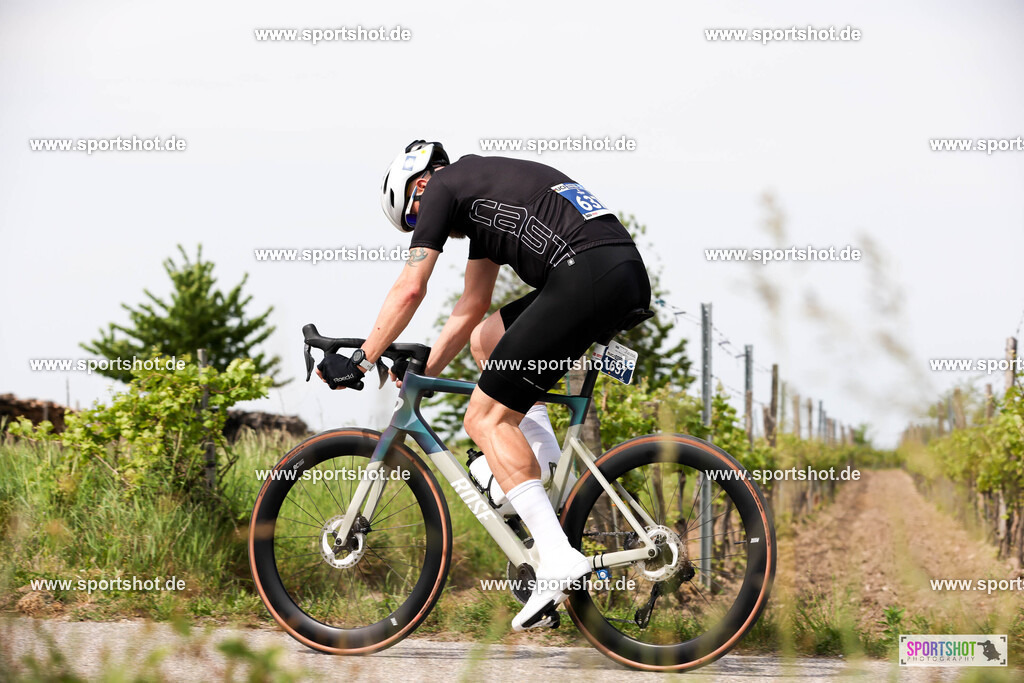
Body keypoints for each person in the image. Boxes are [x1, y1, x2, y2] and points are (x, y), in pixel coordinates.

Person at [317, 140, 651, 630]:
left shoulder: (442, 187)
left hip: (586, 275)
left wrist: (363, 359)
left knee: (483, 416)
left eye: (412, 217)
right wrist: (424, 365)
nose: (421, 224)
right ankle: (544, 483)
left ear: (418, 185)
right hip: (617, 271)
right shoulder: (480, 195)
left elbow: (411, 287)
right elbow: (471, 307)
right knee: (487, 339)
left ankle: (557, 560)